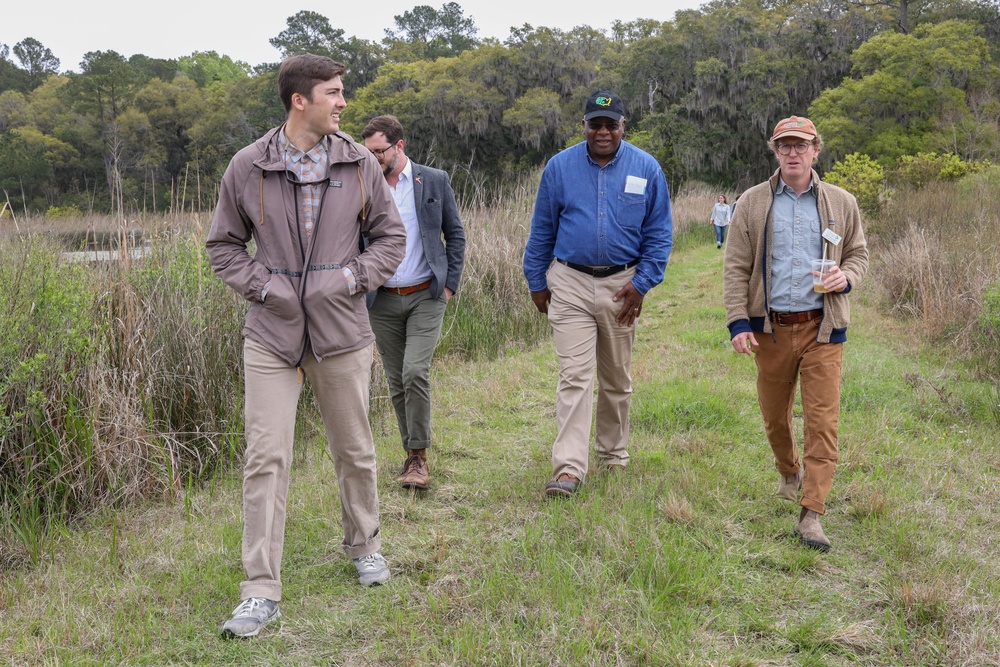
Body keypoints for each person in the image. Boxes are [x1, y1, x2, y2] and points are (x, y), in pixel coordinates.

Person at [206, 54, 406, 639]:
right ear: (301, 100)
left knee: (356, 448)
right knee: (266, 457)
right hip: (272, 335)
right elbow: (222, 246)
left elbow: (390, 239)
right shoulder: (247, 167)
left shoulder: (358, 164)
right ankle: (259, 590)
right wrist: (266, 287)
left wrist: (348, 279)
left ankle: (364, 545)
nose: (343, 102)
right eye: (335, 92)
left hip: (342, 330)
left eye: (342, 92)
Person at [723, 115, 868, 551]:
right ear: (775, 150)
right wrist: (737, 322)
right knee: (774, 417)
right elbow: (735, 267)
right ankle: (789, 472)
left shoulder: (841, 202)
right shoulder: (751, 202)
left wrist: (848, 277)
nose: (792, 153)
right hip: (771, 328)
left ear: (816, 150)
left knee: (823, 423)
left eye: (800, 146)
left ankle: (812, 514)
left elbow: (859, 253)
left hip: (822, 328)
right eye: (784, 146)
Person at [523, 89, 673, 498]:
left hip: (622, 285)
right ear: (584, 126)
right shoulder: (559, 168)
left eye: (611, 124)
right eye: (595, 124)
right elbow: (542, 230)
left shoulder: (647, 168)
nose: (603, 132)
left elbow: (660, 235)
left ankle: (613, 454)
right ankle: (569, 469)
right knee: (575, 376)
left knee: (616, 378)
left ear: (624, 126)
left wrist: (642, 284)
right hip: (569, 281)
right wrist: (536, 280)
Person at [360, 115, 466, 491]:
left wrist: (449, 284)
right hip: (381, 299)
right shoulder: (362, 186)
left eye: (379, 151)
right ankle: (411, 454)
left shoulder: (433, 180)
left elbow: (455, 234)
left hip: (426, 293)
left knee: (414, 371)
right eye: (367, 152)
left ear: (399, 146)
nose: (373, 158)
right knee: (395, 381)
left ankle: (418, 457)